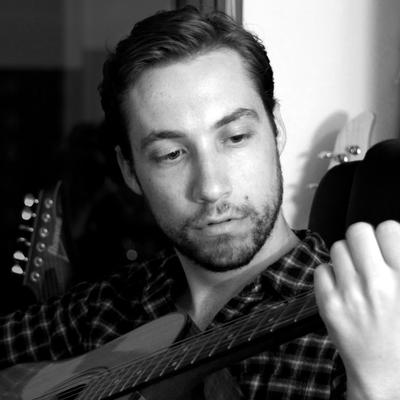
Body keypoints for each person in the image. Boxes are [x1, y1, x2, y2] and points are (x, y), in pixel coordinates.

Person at [0, 6, 400, 399]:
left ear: (276, 130)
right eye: (172, 154)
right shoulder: (109, 307)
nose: (211, 187)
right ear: (130, 170)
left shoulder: (371, 328)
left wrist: (380, 385)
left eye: (236, 138)